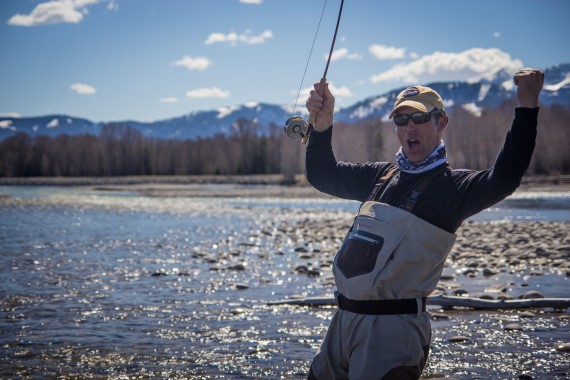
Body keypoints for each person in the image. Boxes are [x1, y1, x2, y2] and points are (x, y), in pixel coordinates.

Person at [304, 68, 545, 379]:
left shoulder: (454, 188)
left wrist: (527, 107)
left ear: (441, 122)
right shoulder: (380, 176)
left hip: (392, 333)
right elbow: (322, 175)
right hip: (342, 324)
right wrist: (321, 127)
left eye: (419, 119)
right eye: (401, 121)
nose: (410, 128)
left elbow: (504, 179)